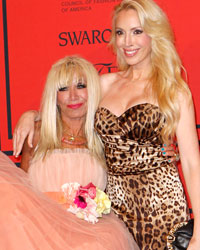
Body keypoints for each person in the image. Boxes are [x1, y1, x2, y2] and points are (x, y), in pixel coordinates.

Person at [12, 1, 192, 249]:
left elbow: (193, 165)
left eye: (137, 31)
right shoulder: (104, 84)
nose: (127, 42)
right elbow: (67, 104)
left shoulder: (173, 90)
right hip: (115, 212)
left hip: (160, 204)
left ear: (155, 33)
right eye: (120, 32)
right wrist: (31, 115)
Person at [1, 56, 138, 250]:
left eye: (81, 86)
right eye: (63, 88)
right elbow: (21, 192)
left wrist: (169, 153)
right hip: (40, 234)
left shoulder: (104, 137)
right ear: (54, 96)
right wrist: (30, 115)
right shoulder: (37, 134)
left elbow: (139, 160)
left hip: (92, 236)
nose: (73, 96)